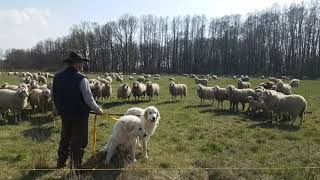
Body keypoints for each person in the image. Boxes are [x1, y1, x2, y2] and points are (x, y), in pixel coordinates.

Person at [53, 51, 104, 168]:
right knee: (80, 140)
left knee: (65, 137)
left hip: (64, 114)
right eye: (81, 63)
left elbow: (54, 95)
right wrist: (98, 109)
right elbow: (89, 98)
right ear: (76, 64)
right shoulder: (81, 79)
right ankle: (75, 166)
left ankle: (61, 162)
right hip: (79, 115)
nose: (83, 65)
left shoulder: (57, 77)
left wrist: (57, 109)